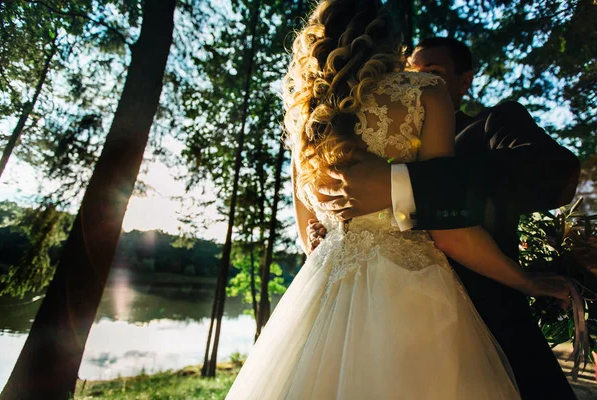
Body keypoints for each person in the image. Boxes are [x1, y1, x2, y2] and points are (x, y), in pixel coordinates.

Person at [225, 2, 570, 399]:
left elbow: (310, 237)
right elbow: (447, 231)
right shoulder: (424, 96)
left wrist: (399, 187)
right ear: (392, 44)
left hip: (325, 291)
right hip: (412, 290)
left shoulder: (307, 117)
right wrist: (525, 279)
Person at [308, 37, 581, 399]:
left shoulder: (493, 123)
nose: (417, 80)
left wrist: (409, 185)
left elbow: (558, 176)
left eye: (432, 72)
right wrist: (330, 224)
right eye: (411, 72)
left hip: (493, 321)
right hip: (383, 319)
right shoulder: (375, 129)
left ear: (464, 80)